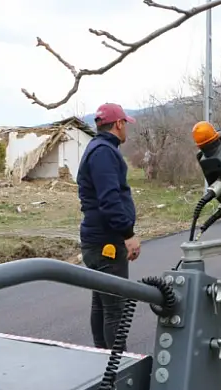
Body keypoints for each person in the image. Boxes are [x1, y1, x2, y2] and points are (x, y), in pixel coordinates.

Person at [76, 102, 142, 349]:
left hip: (97, 241)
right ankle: (117, 369)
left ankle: (102, 363)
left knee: (102, 304)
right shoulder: (104, 152)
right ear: (118, 124)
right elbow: (109, 200)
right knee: (115, 309)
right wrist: (128, 234)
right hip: (106, 243)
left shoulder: (98, 148)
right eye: (126, 124)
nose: (126, 129)